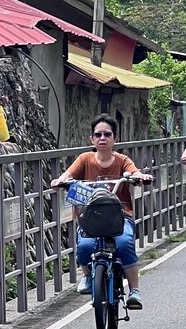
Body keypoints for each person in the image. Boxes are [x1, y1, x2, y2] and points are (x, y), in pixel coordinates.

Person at [50, 115, 154, 307]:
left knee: (124, 243)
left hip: (120, 217)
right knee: (85, 247)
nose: (102, 138)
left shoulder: (123, 160)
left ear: (115, 138)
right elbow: (68, 174)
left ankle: (134, 291)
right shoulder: (85, 159)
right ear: (92, 139)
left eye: (107, 134)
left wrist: (140, 176)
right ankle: (89, 277)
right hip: (91, 219)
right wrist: (60, 181)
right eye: (98, 134)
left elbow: (134, 172)